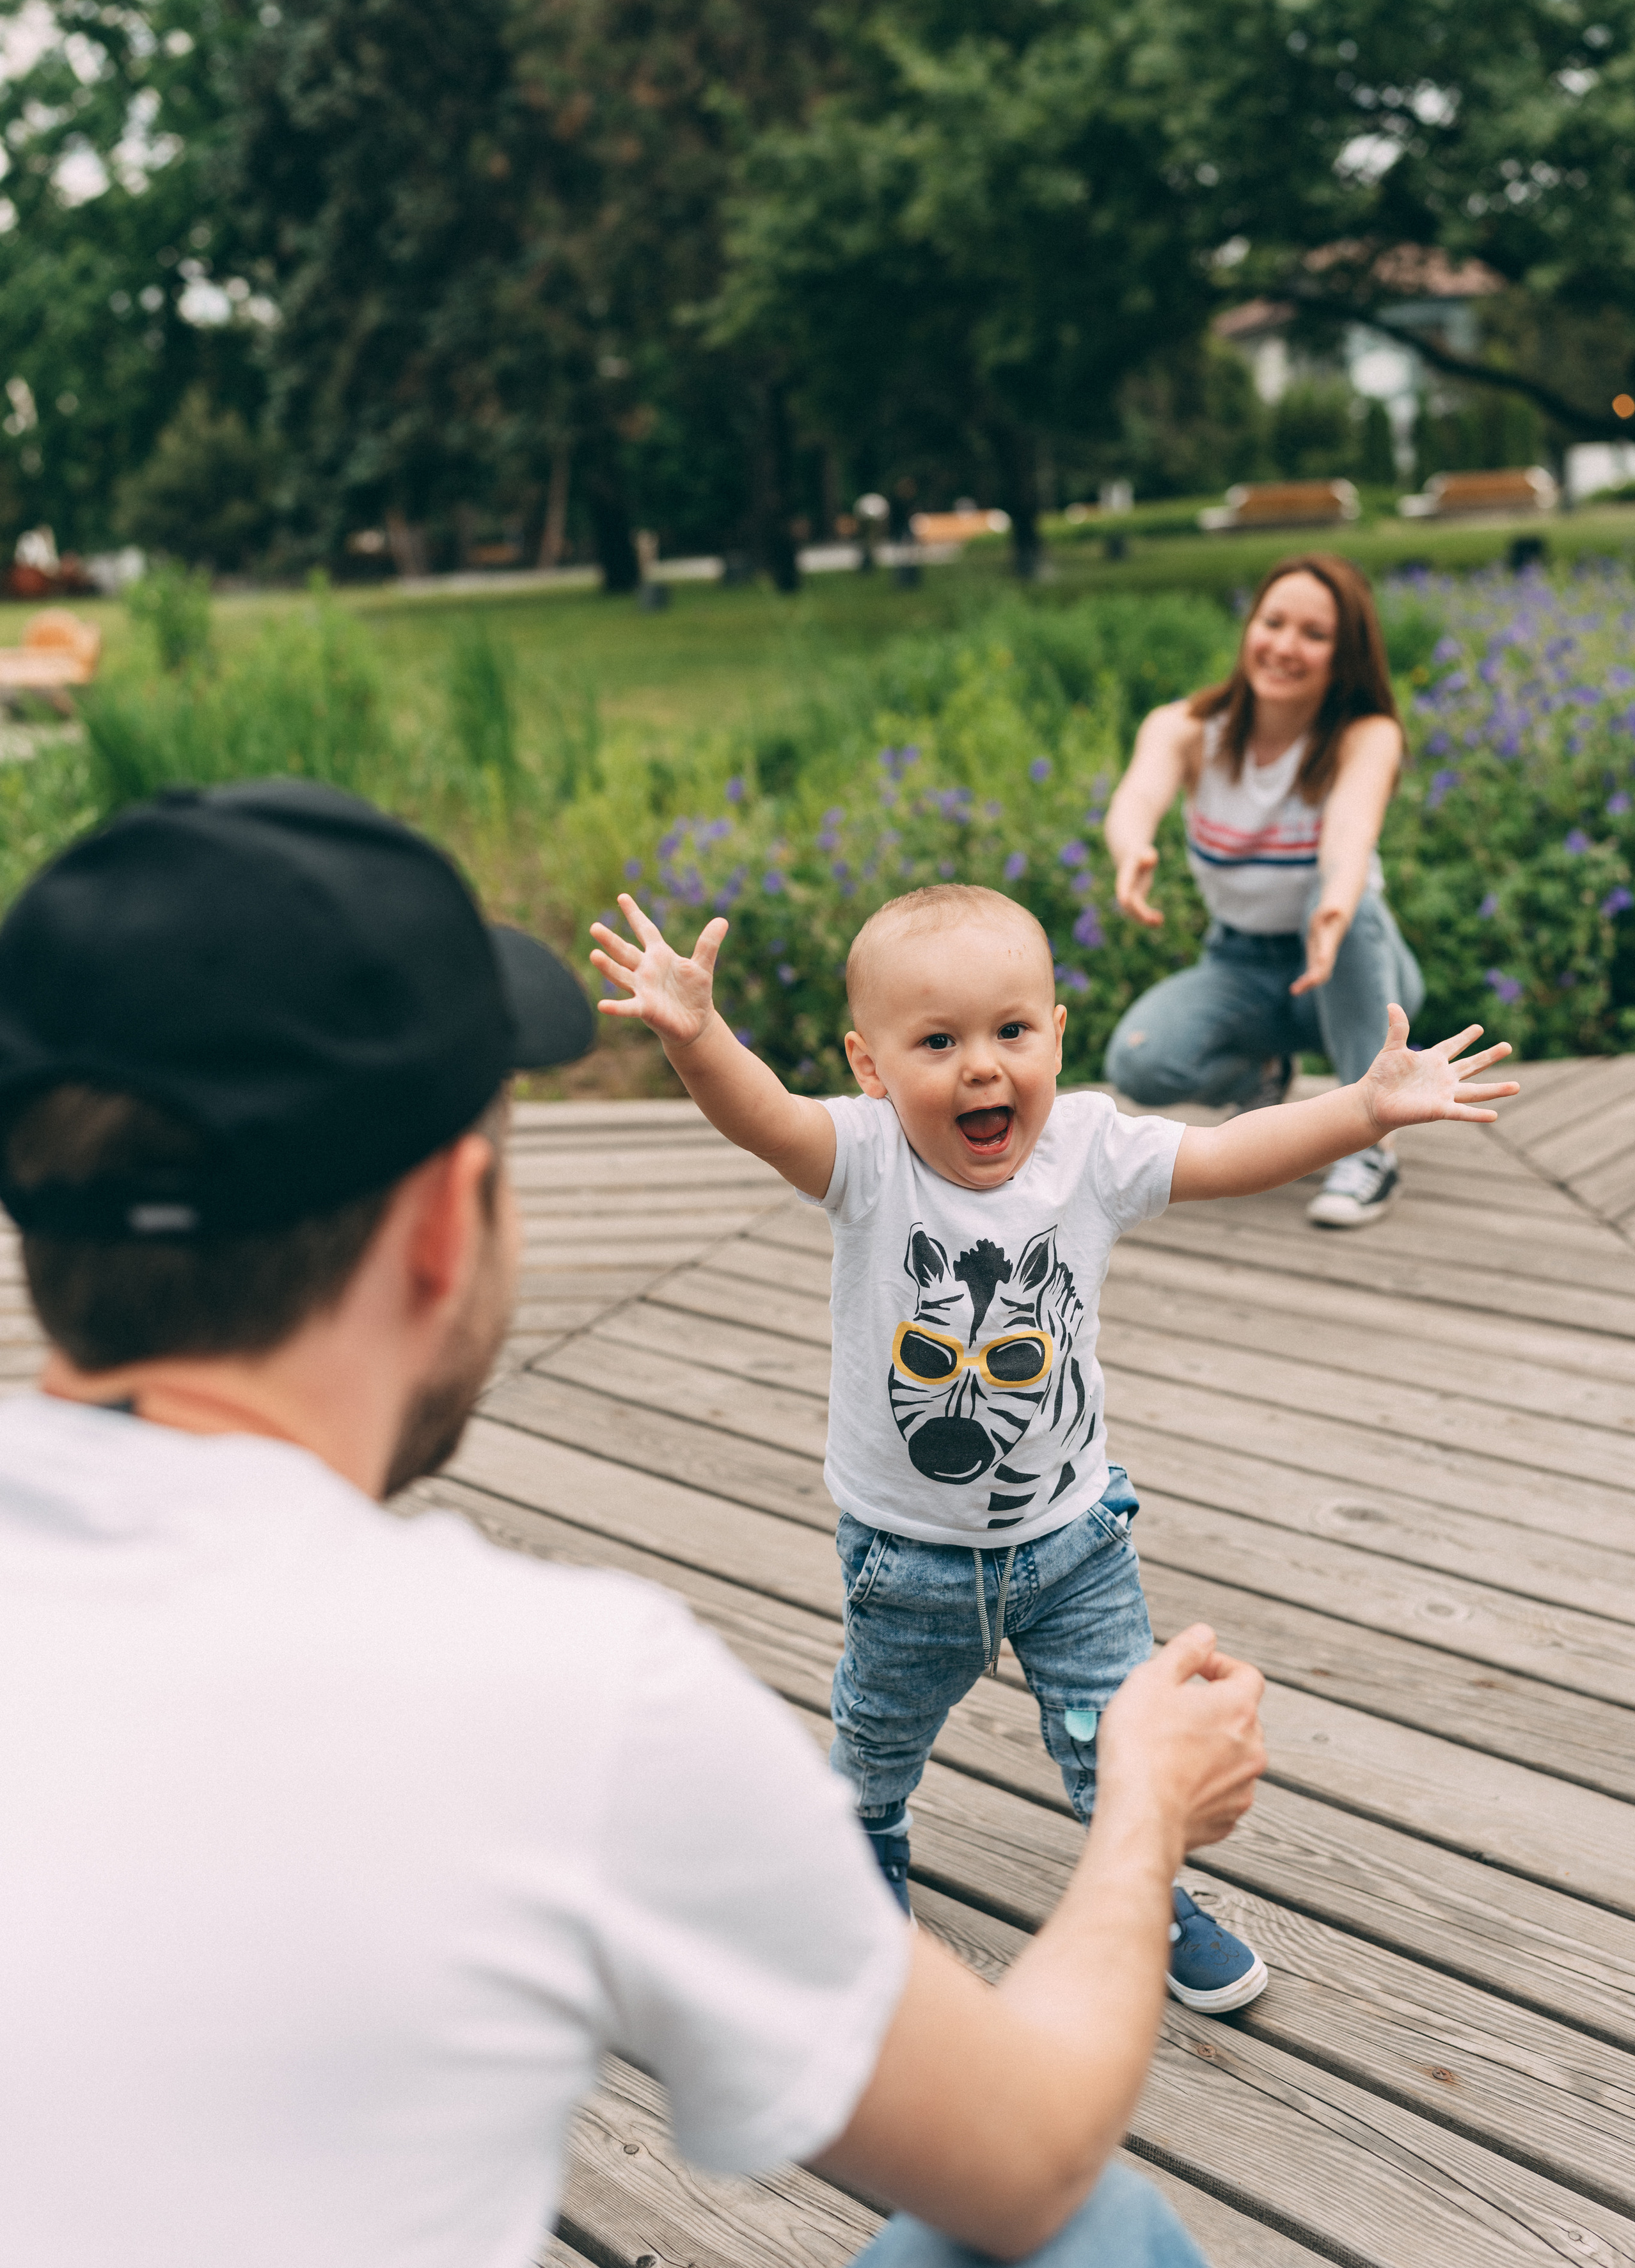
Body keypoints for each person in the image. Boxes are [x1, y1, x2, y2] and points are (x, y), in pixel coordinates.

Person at [0, 777, 1270, 2268]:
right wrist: (1140, 1814)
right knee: (1093, 2223)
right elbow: (1033, 2146)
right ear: (442, 1223)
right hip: (918, 1579)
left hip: (1049, 1530)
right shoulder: (573, 1699)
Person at [590, 878, 1515, 2014]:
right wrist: (700, 1041)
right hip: (907, 1554)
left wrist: (1363, 1111)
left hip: (1074, 1542)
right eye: (937, 1042)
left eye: (1012, 1032)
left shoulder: (1088, 1150)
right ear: (871, 1066)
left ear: (1058, 1037)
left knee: (1118, 1738)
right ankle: (867, 1834)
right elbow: (765, 1114)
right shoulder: (869, 1161)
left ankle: (1147, 1883)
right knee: (879, 1732)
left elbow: (1234, 1152)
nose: (982, 1067)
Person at [1103, 553, 1422, 1228]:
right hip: (1241, 965)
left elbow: (1349, 834)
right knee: (1139, 1062)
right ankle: (1262, 1079)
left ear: (1346, 655)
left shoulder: (1366, 735)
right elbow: (1136, 796)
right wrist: (1131, 848)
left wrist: (1337, 898)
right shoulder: (1186, 727)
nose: (1283, 645)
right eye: (1272, 622)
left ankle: (1372, 1143)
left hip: (1351, 964)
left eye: (1313, 633)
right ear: (1248, 627)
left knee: (1352, 902)